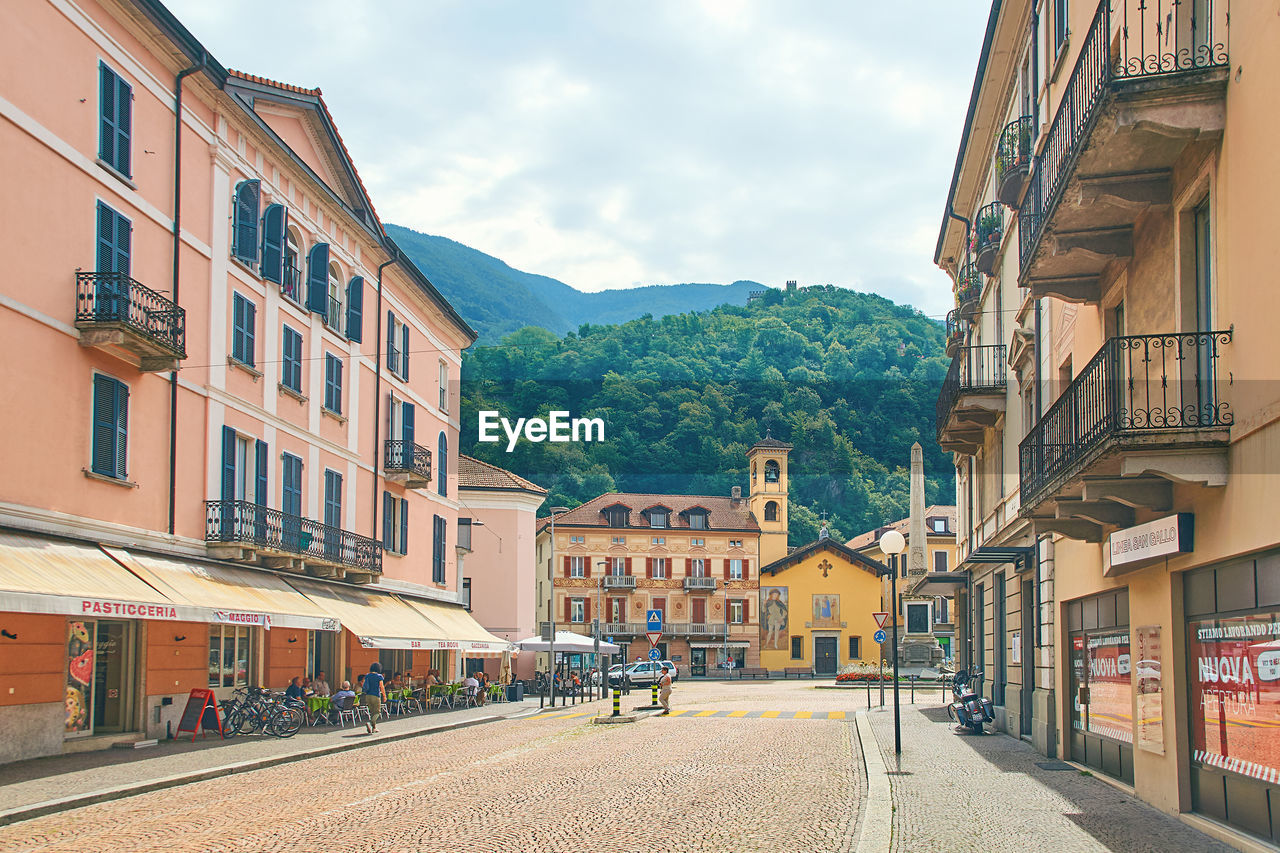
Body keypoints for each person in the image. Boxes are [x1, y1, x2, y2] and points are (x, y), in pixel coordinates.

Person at [361, 663, 386, 734]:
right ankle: (371, 722)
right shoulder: (379, 676)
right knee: (377, 712)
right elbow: (382, 687)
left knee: (372, 712)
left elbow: (364, 685)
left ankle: (374, 728)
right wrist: (384, 696)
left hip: (368, 696)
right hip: (375, 696)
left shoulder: (367, 675)